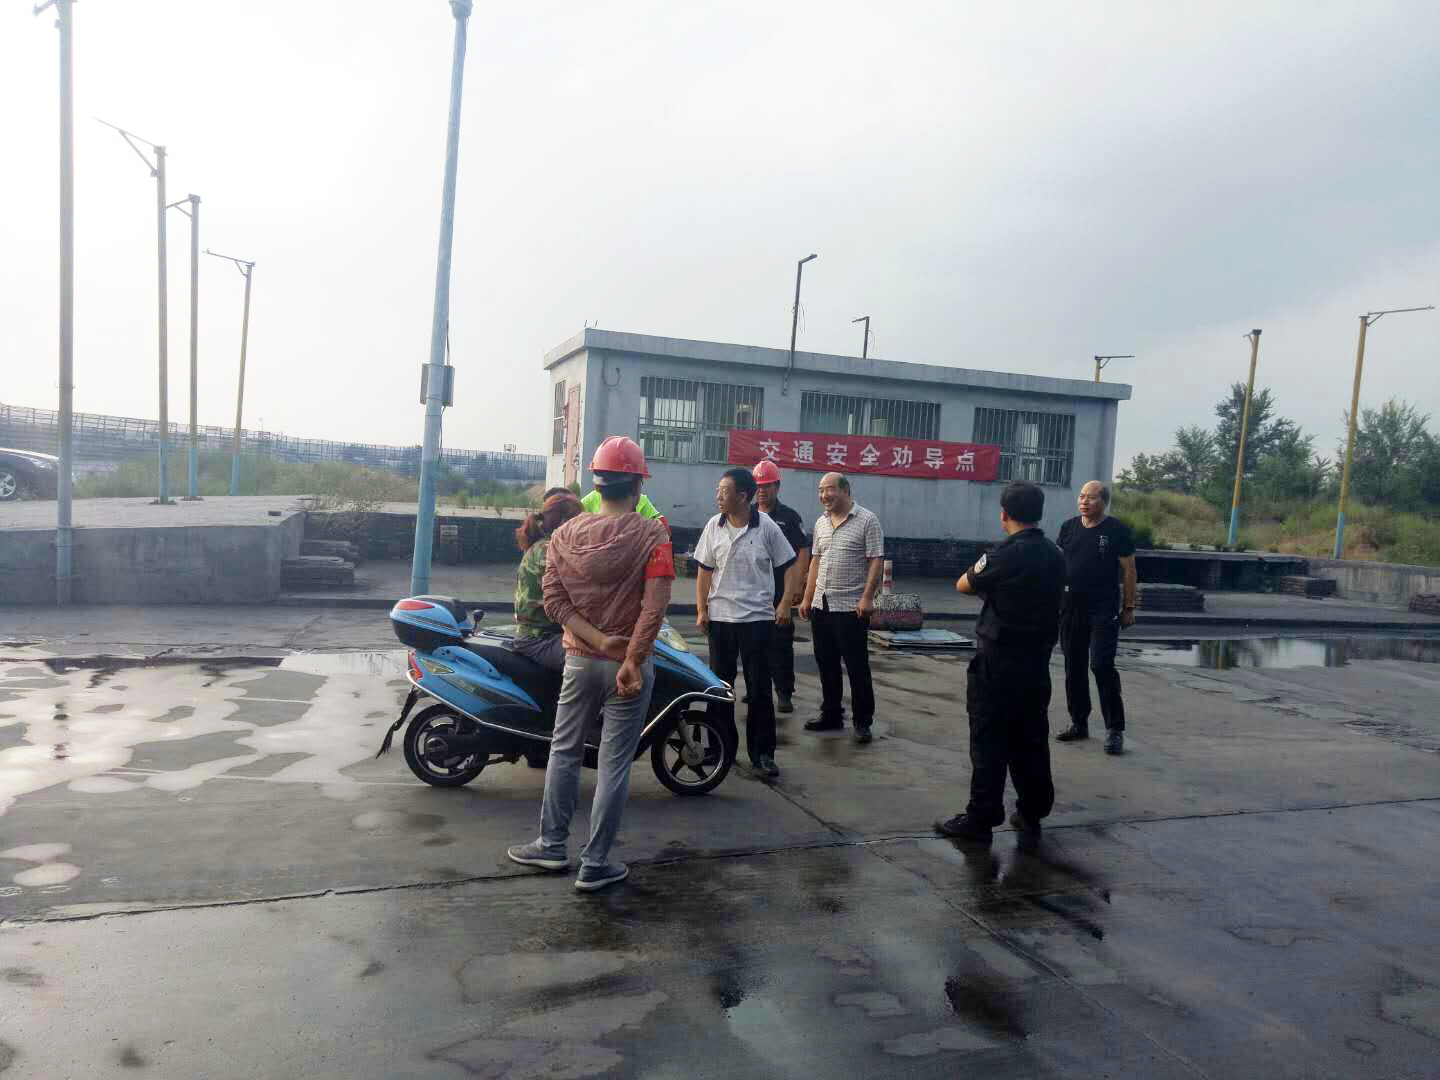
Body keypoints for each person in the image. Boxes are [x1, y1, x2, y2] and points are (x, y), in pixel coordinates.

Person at [506, 435, 675, 892]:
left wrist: (596, 640)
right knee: (614, 764)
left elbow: (554, 602)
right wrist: (631, 658)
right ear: (637, 486)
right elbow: (655, 606)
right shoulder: (654, 535)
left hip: (579, 660)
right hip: (629, 668)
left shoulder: (562, 536)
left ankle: (551, 845)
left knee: (564, 751)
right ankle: (595, 864)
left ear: (597, 485)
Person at [935, 481, 1066, 845]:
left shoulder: (1004, 553)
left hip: (998, 662)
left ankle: (982, 816)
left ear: (1004, 514)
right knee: (1031, 739)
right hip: (1036, 663)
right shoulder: (1055, 554)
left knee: (989, 738)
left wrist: (992, 588)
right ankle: (1032, 809)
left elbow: (963, 584)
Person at [694, 466, 796, 778]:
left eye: (724, 491)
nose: (718, 496)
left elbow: (790, 565)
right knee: (719, 688)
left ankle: (762, 754)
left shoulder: (766, 527)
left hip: (757, 620)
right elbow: (704, 571)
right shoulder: (714, 525)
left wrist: (785, 603)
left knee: (760, 689)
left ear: (742, 496)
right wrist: (701, 609)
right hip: (721, 620)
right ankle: (718, 749)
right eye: (718, 490)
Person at [798, 472, 885, 744]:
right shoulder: (821, 523)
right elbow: (815, 561)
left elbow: (876, 560)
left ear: (846, 490)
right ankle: (831, 714)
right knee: (826, 663)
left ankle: (862, 721)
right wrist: (807, 597)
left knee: (856, 666)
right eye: (820, 490)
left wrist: (867, 597)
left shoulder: (867, 520)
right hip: (821, 604)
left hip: (851, 607)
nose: (824, 495)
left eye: (829, 489)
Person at [1054, 480, 1137, 756]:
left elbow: (1129, 570)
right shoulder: (1068, 528)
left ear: (1104, 501)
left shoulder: (1116, 530)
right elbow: (1059, 564)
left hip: (1102, 608)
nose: (1084, 501)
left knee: (1101, 665)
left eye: (1091, 497)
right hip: (1070, 608)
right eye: (1081, 496)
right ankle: (1079, 723)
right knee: (1073, 667)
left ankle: (1115, 729)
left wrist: (1128, 607)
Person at [754, 458, 810, 715]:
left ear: (777, 487)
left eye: (767, 486)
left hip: (780, 591)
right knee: (755, 646)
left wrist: (797, 587)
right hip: (754, 592)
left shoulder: (789, 517)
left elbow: (802, 551)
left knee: (781, 644)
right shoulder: (747, 514)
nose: (762, 491)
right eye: (758, 486)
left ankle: (784, 692)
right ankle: (758, 688)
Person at [511, 489, 585, 671]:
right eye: (579, 521)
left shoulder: (549, 546)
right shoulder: (548, 550)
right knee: (592, 661)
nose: (584, 528)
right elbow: (578, 594)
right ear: (564, 522)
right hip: (539, 638)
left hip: (551, 634)